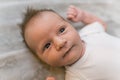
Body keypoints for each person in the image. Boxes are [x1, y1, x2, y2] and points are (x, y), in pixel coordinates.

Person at [20, 5, 120, 80]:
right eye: (47, 45)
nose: (60, 43)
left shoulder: (88, 32)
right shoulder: (75, 76)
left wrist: (84, 17)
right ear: (43, 60)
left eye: (62, 30)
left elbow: (101, 24)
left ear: (71, 25)